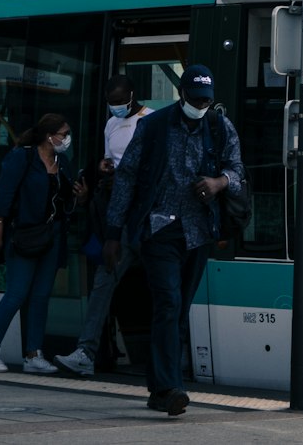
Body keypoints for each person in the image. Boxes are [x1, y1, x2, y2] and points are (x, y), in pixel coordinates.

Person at [103, 64, 244, 417]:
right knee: (167, 304)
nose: (201, 105)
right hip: (159, 230)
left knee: (179, 309)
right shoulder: (153, 127)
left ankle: (156, 388)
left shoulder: (219, 125)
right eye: (195, 99)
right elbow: (126, 179)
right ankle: (171, 387)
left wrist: (218, 183)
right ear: (182, 94)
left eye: (206, 100)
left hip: (199, 232)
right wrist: (113, 233)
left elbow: (238, 171)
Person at [55, 75, 151, 377]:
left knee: (162, 285)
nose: (116, 108)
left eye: (121, 102)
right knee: (103, 281)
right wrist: (104, 166)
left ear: (133, 96)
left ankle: (175, 353)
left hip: (144, 215)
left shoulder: (152, 121)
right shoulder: (111, 123)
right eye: (111, 103)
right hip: (117, 212)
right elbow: (111, 160)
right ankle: (86, 351)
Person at [0, 113, 87, 374]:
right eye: (63, 134)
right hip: (24, 236)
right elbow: (4, 198)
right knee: (16, 295)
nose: (67, 139)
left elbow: (64, 203)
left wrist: (79, 198)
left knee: (40, 297)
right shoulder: (23, 157)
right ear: (49, 136)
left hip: (53, 237)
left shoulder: (63, 162)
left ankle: (33, 354)